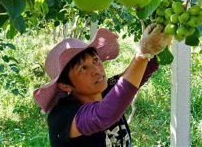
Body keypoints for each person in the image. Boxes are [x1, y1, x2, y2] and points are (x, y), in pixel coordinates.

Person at [33, 25, 171, 147]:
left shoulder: (106, 91)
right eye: (82, 68)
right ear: (65, 86)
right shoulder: (62, 115)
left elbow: (142, 70)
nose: (96, 70)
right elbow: (103, 114)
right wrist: (143, 53)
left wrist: (165, 33)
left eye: (95, 60)